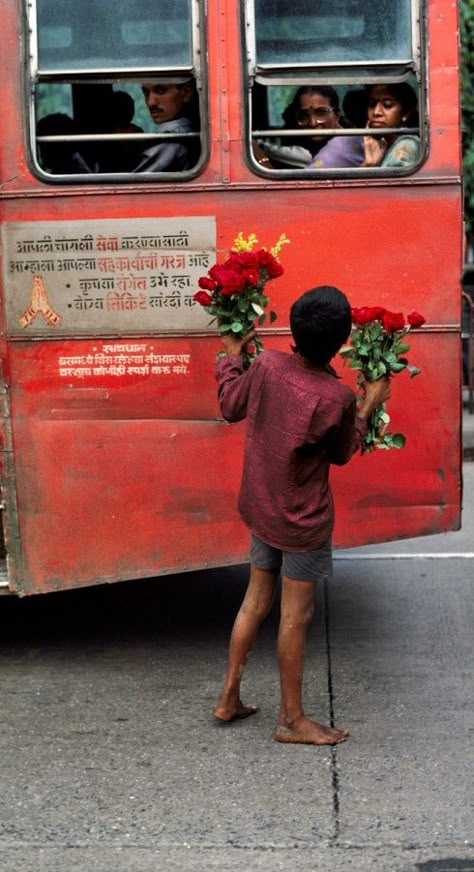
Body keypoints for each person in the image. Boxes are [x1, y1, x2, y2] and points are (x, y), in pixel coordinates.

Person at [213, 286, 391, 745]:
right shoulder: (336, 396)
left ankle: (229, 696)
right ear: (342, 340)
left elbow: (230, 404)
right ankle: (292, 720)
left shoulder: (268, 364)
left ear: (293, 328)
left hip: (261, 506)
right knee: (295, 617)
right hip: (302, 521)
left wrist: (231, 355)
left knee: (254, 601)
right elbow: (344, 453)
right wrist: (369, 402)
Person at [258, 86, 363, 169]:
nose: (312, 123)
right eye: (304, 115)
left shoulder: (350, 144)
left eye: (321, 113)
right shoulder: (297, 143)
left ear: (336, 115)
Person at [133, 80, 199, 173]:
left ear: (186, 92)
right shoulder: (188, 127)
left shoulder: (171, 135)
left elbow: (136, 183)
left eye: (160, 90)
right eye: (146, 93)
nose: (150, 103)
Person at [361, 83, 420, 168]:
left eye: (387, 105)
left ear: (406, 113)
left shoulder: (406, 145)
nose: (376, 112)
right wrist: (368, 164)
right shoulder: (383, 144)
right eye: (372, 104)